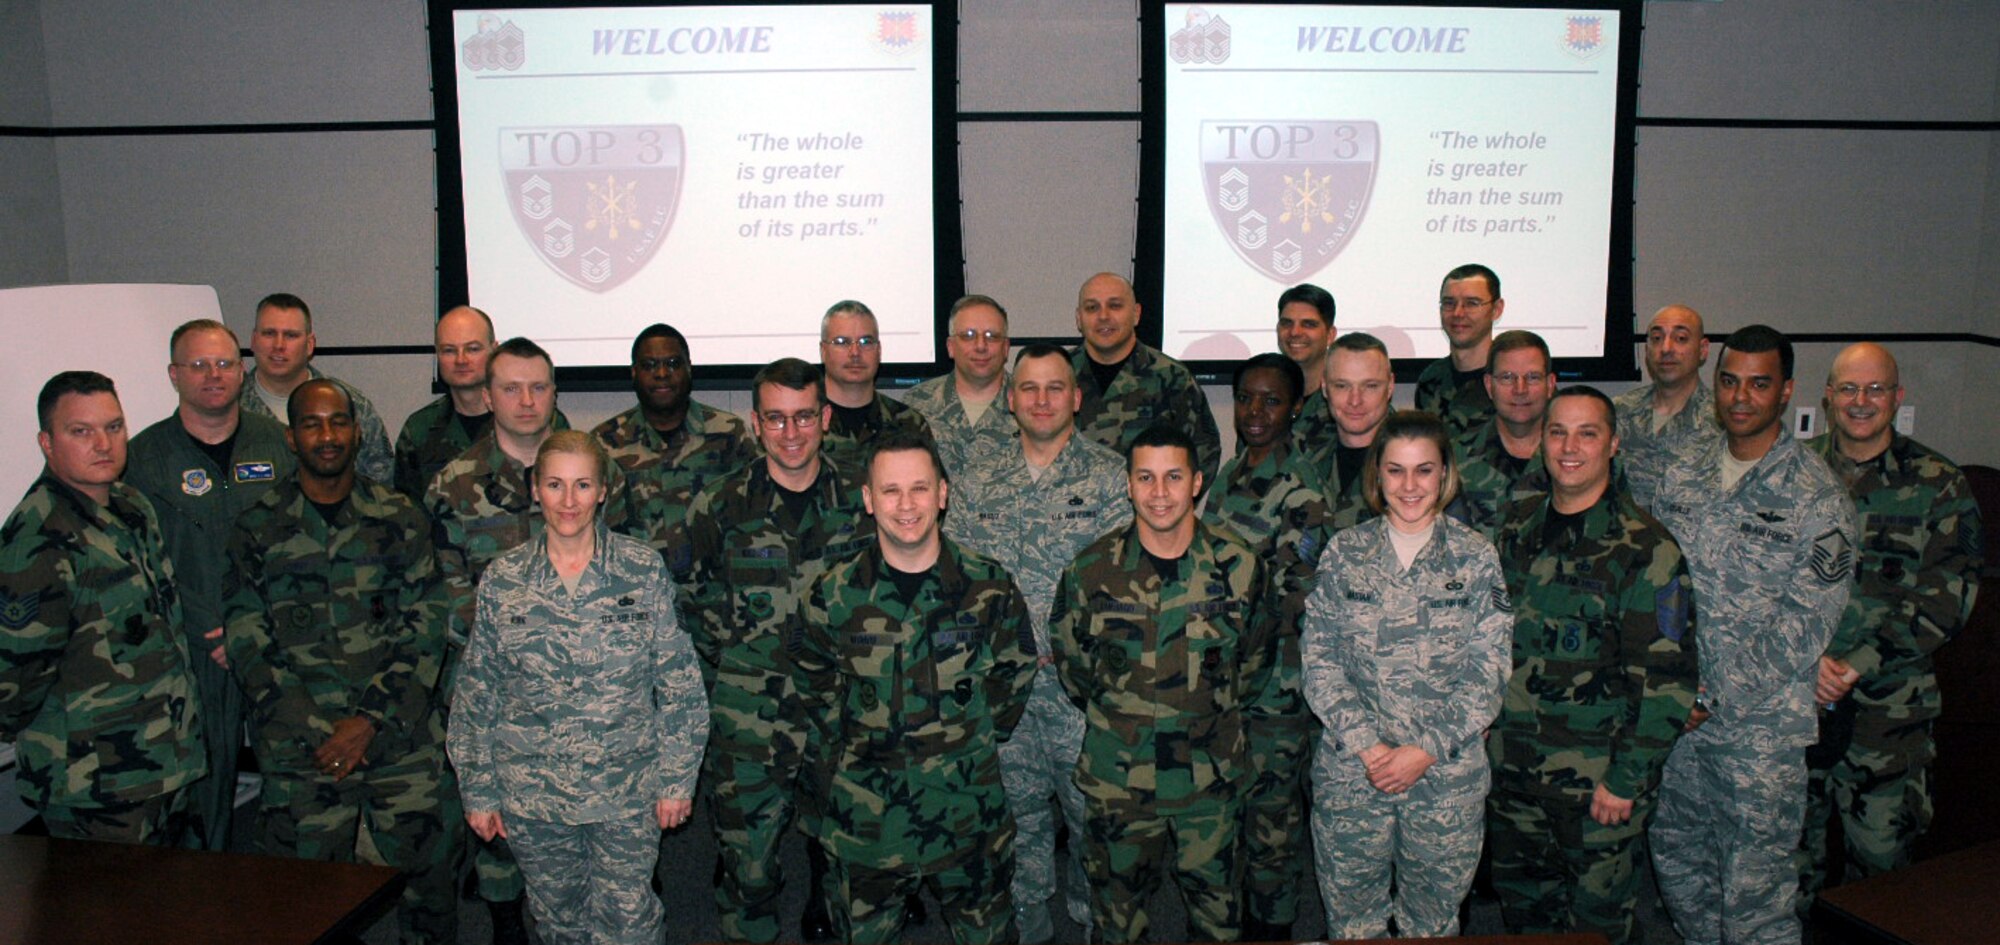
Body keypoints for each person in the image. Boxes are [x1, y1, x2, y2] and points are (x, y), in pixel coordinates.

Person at [450, 430, 708, 945]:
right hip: (533, 793)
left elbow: (679, 682)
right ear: (535, 489)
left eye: (583, 485)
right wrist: (479, 789)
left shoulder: (640, 570)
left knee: (630, 924)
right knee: (559, 923)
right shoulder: (504, 579)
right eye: (555, 485)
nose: (569, 501)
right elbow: (478, 690)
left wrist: (677, 779)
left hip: (626, 789)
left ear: (604, 490)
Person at [222, 379, 456, 944]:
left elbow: (425, 628)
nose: (327, 436)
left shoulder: (399, 516)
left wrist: (367, 722)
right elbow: (247, 636)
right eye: (312, 424)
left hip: (397, 740)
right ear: (290, 436)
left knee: (428, 888)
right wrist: (318, 730)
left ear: (356, 431)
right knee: (301, 900)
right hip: (302, 749)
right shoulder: (258, 526)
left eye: (338, 423)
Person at [1648, 325, 1857, 945]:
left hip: (1758, 737)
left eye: (1759, 383)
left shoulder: (1818, 499)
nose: (1741, 396)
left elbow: (1805, 623)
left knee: (1755, 900)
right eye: (1730, 380)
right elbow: (1657, 578)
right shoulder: (1681, 472)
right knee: (1680, 869)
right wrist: (1668, 686)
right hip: (1679, 725)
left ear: (1786, 391)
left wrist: (1710, 696)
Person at [793, 431, 1037, 944]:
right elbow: (813, 683)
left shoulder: (987, 586)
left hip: (968, 813)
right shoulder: (834, 594)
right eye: (890, 491)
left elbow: (1013, 672)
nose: (907, 505)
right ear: (868, 499)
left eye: (920, 489)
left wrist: (964, 739)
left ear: (943, 494)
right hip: (868, 821)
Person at [1487, 387, 1699, 945]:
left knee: (1598, 929)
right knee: (1527, 919)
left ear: (1614, 443)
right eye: (1557, 432)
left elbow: (1667, 683)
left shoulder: (1645, 549)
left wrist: (1626, 779)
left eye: (1587, 433)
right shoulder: (1516, 532)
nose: (1569, 446)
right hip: (1514, 776)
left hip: (1596, 789)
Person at [676, 358, 875, 943]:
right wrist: (742, 653)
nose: (792, 433)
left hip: (842, 709)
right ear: (756, 425)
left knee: (846, 859)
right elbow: (690, 593)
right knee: (750, 867)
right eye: (777, 419)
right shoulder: (719, 505)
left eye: (805, 417)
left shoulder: (863, 501)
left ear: (826, 417)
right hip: (750, 715)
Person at [1050, 425, 1272, 943]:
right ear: (1127, 485)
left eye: (1173, 477)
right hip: (1120, 778)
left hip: (1209, 777)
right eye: (1145, 477)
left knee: (1218, 914)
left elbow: (1255, 661)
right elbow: (1074, 665)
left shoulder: (1238, 567)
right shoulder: (1092, 570)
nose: (1159, 492)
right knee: (1117, 915)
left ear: (1196, 482)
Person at [428, 336, 613, 942]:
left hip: (592, 686)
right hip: (502, 687)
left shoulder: (594, 467)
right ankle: (507, 923)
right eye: (511, 388)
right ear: (487, 396)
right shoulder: (453, 486)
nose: (526, 400)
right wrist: (526, 637)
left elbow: (621, 572)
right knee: (503, 824)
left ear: (556, 393)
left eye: (539, 387)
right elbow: (442, 591)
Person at [945, 344, 1131, 943]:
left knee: (1093, 819)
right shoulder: (975, 479)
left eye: (1055, 388)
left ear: (1076, 397)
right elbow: (957, 576)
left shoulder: (1108, 475)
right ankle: (1029, 927)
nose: (1042, 400)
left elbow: (1124, 582)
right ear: (1009, 398)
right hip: (1004, 691)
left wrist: (1071, 646)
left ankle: (1087, 917)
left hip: (1083, 692)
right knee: (1013, 819)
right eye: (1028, 389)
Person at [1301, 409, 1511, 939]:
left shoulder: (1475, 558)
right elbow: (1319, 661)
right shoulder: (1344, 554)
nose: (1410, 485)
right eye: (1395, 470)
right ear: (1377, 475)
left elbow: (1488, 674)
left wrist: (1423, 751)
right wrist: (1372, 749)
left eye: (1424, 470)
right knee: (1352, 924)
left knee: (1432, 926)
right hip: (1354, 772)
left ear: (1445, 474)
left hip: (1445, 776)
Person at [1797, 342, 1982, 909]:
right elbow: (1757, 579)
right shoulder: (1792, 472)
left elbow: (1952, 594)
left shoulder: (1938, 483)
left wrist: (1858, 663)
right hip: (1796, 703)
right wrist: (1806, 659)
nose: (1860, 401)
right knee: (1787, 869)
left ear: (1897, 398)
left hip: (1889, 716)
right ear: (1827, 397)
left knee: (1880, 874)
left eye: (1875, 389)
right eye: (1848, 388)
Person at [0, 371, 206, 844]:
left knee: (177, 910)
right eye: (81, 431)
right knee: (109, 917)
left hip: (165, 760)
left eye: (114, 427)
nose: (104, 444)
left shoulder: (131, 506)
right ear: (46, 442)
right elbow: (14, 678)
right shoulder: (38, 537)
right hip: (95, 784)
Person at [127, 318, 297, 850]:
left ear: (242, 370)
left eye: (224, 363)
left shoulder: (279, 443)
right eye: (198, 365)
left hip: (275, 641)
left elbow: (299, 540)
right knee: (204, 786)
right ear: (174, 374)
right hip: (193, 651)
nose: (213, 375)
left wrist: (255, 627)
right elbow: (141, 563)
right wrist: (211, 628)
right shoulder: (142, 460)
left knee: (296, 784)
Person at [1202, 353, 1333, 940]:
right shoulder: (1230, 474)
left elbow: (1293, 599)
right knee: (1230, 811)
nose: (1256, 412)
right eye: (1247, 399)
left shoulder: (1301, 492)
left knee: (1272, 823)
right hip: (1225, 683)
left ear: (1296, 407)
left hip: (1274, 688)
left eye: (1272, 400)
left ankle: (1275, 927)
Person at [593, 322, 756, 564]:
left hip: (714, 593)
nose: (661, 374)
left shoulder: (729, 434)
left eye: (672, 364)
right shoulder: (603, 443)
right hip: (634, 592)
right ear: (634, 373)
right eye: (649, 365)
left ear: (689, 369)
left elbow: (755, 517)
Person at [393, 306, 570, 500]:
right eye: (449, 350)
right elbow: (410, 513)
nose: (461, 360)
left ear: (494, 350)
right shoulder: (420, 428)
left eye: (473, 349)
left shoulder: (540, 420)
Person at [1069, 272, 1223, 487]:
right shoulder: (1057, 377)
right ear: (1078, 318)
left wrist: (1168, 507)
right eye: (1092, 308)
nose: (1103, 316)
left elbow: (1204, 452)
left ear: (1136, 314)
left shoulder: (1172, 378)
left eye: (1115, 306)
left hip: (1149, 514)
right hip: (1069, 513)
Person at [238, 293, 395, 484]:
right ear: (254, 340)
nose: (278, 345)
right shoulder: (231, 407)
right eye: (269, 333)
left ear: (310, 344)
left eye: (291, 335)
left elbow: (382, 485)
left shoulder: (351, 404)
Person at [1611, 305, 1721, 513]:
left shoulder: (1723, 421)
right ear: (1647, 349)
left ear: (1703, 349)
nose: (1666, 348)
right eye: (1656, 339)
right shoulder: (1616, 412)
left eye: (1680, 338)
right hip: (1625, 541)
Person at [1452, 330, 1556, 539]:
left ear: (1550, 385)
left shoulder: (1578, 457)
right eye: (1507, 378)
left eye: (1533, 377)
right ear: (1489, 386)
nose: (1520, 389)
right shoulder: (1454, 458)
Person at [902, 295, 1015, 477]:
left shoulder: (1033, 404)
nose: (980, 346)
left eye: (991, 336)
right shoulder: (917, 404)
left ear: (1006, 348)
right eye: (968, 336)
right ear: (950, 346)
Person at [817, 300, 933, 475]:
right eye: (842, 342)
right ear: (823, 351)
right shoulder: (799, 424)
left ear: (879, 350)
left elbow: (929, 493)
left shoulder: (909, 423)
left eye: (866, 341)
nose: (855, 352)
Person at [1296, 332, 1395, 531]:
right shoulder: (1303, 459)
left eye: (1370, 386)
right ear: (1324, 387)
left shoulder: (1418, 465)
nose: (1355, 400)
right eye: (1342, 386)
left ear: (1390, 386)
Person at [1416, 263, 1504, 436]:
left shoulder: (1514, 380)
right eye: (1449, 303)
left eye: (1472, 303)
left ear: (1496, 309)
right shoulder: (1431, 380)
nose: (1458, 313)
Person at [1275, 283, 1337, 415]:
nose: (1295, 332)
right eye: (1287, 323)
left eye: (1308, 324)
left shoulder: (1349, 401)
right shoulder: (1262, 398)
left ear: (1330, 335)